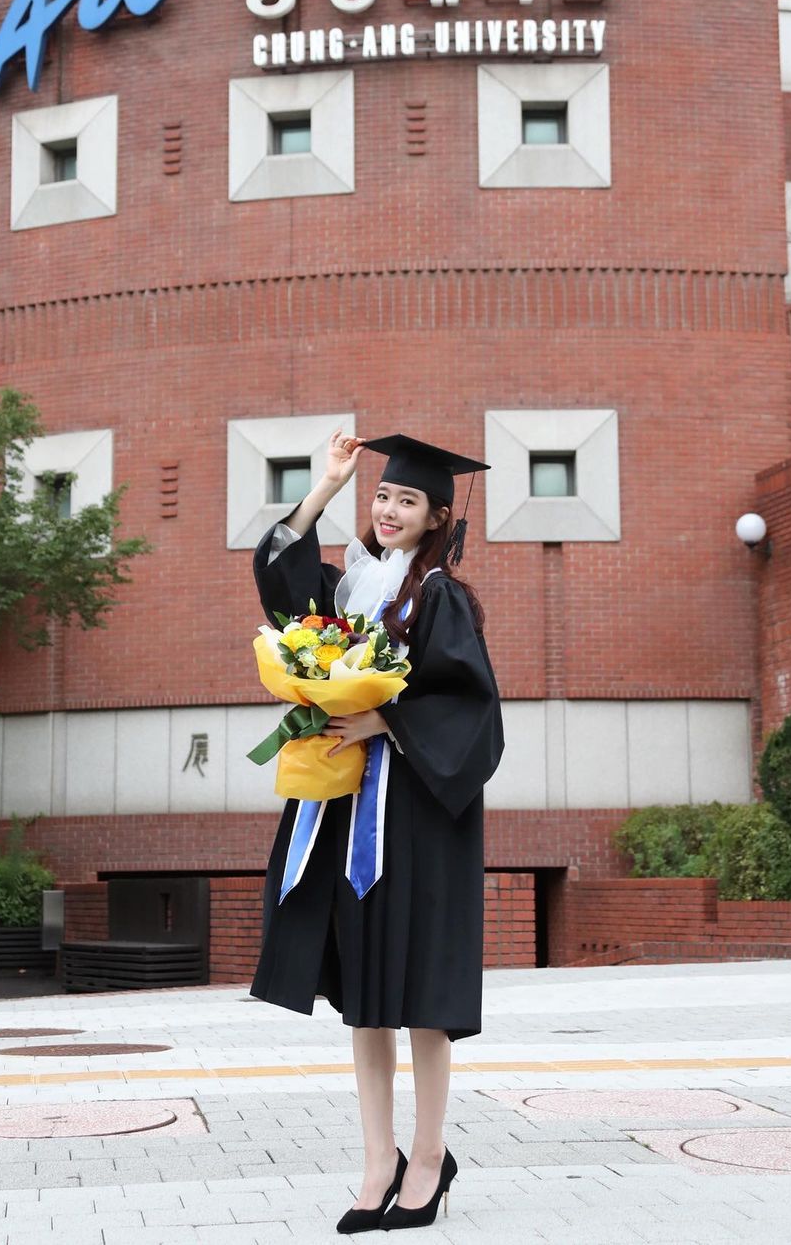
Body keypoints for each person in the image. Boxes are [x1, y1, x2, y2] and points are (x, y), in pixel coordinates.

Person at [250, 429, 505, 1233]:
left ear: (436, 517)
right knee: (365, 997)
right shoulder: (349, 587)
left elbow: (473, 709)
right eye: (384, 495)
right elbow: (280, 577)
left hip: (418, 820)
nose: (390, 509)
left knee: (420, 995)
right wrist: (326, 484)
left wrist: (385, 719)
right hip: (347, 811)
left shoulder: (440, 597)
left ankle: (429, 1157)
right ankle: (377, 1161)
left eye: (408, 500)